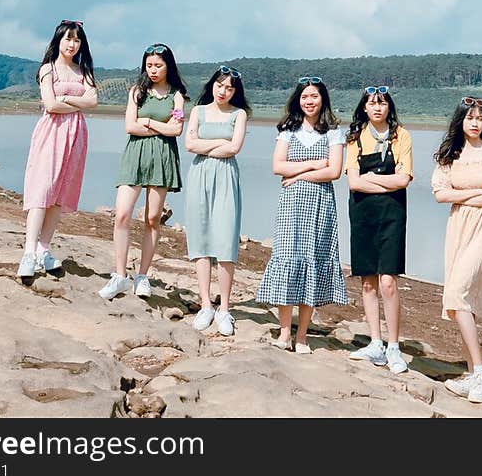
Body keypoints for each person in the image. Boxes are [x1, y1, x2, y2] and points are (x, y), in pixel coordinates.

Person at [256, 76, 347, 352]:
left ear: (323, 100)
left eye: (314, 96)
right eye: (305, 96)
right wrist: (313, 164)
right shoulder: (287, 130)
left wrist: (298, 175)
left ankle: (303, 335)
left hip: (320, 205)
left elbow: (334, 172)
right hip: (291, 207)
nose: (309, 101)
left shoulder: (333, 131)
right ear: (298, 99)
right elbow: (277, 166)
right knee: (287, 260)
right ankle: (284, 333)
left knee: (312, 260)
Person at [431, 96, 482, 404]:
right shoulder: (449, 155)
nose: (475, 122)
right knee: (456, 298)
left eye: (480, 118)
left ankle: (481, 370)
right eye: (469, 117)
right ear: (460, 121)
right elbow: (439, 194)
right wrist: (479, 191)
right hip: (457, 227)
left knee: (460, 291)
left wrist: (461, 194)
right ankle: (473, 371)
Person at [99, 44, 188, 300]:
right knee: (123, 214)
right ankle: (119, 275)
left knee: (152, 219)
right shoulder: (137, 91)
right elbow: (130, 126)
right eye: (149, 65)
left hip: (162, 158)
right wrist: (159, 125)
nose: (153, 70)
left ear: (168, 66)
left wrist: (147, 121)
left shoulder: (177, 95)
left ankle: (142, 276)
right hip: (135, 156)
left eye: (158, 66)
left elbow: (176, 131)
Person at [18, 20, 98, 279]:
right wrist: (77, 103)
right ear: (58, 41)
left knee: (60, 192)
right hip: (51, 132)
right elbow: (50, 105)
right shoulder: (47, 69)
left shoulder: (83, 71)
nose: (72, 44)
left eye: (77, 40)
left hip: (75, 135)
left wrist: (66, 99)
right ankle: (29, 252)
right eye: (68, 39)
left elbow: (93, 101)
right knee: (42, 190)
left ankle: (43, 248)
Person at [345, 85, 413, 375]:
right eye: (372, 103)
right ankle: (375, 343)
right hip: (362, 214)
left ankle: (394, 346)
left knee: (388, 281)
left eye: (382, 103)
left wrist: (371, 178)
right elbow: (354, 183)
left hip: (392, 214)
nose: (377, 108)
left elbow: (404, 179)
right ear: (364, 108)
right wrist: (382, 181)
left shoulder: (402, 135)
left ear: (389, 107)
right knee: (369, 281)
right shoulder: (354, 138)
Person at [184, 64, 251, 336]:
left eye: (229, 88)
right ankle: (205, 305)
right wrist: (217, 144)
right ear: (212, 84)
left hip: (225, 176)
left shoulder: (239, 114)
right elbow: (189, 145)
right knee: (199, 239)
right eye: (220, 85)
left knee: (225, 240)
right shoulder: (198, 111)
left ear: (235, 91)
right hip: (199, 174)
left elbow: (234, 148)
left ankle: (224, 308)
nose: (223, 91)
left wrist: (205, 143)